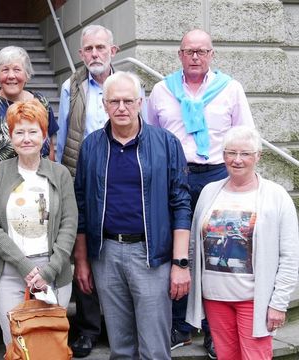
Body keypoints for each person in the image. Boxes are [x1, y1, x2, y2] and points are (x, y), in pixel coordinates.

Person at [147, 28, 254, 358]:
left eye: (201, 51)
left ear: (211, 55)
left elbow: (246, 134)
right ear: (179, 55)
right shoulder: (162, 90)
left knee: (215, 252)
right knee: (175, 250)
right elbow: (151, 135)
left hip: (218, 175)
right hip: (174, 178)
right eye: (189, 51)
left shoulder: (231, 89)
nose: (195, 56)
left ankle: (212, 329)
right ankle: (179, 325)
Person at [74, 71, 192, 359]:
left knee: (154, 349)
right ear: (104, 104)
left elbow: (181, 203)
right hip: (107, 254)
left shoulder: (165, 143)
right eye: (114, 101)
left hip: (151, 256)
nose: (121, 108)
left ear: (141, 102)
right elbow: (81, 206)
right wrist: (81, 260)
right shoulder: (91, 146)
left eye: (128, 100)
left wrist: (180, 263)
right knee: (121, 347)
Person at [186, 126, 299, 360]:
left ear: (258, 156)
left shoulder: (276, 196)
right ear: (223, 155)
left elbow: (290, 256)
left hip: (253, 300)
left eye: (245, 154)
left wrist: (279, 303)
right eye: (231, 153)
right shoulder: (209, 192)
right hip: (215, 297)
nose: (237, 160)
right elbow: (194, 245)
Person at [0, 99, 78, 347]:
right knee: (17, 346)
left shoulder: (60, 173)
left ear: (44, 136)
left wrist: (49, 270)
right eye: (19, 132)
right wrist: (25, 267)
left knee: (49, 346)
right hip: (12, 272)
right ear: (10, 136)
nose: (26, 138)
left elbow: (69, 224)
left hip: (53, 272)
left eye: (33, 132)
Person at [55, 24, 118, 357]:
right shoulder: (72, 86)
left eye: (101, 48)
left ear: (113, 50)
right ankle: (89, 328)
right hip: (82, 176)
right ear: (81, 54)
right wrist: (64, 178)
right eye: (89, 49)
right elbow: (64, 133)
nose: (95, 54)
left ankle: (119, 323)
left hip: (121, 179)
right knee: (85, 252)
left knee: (118, 249)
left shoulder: (126, 86)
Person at [0, 45, 59, 199]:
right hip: (3, 191)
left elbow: (50, 150)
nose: (11, 76)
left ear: (27, 74)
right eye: (5, 70)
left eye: (17, 70)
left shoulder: (41, 102)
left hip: (39, 189)